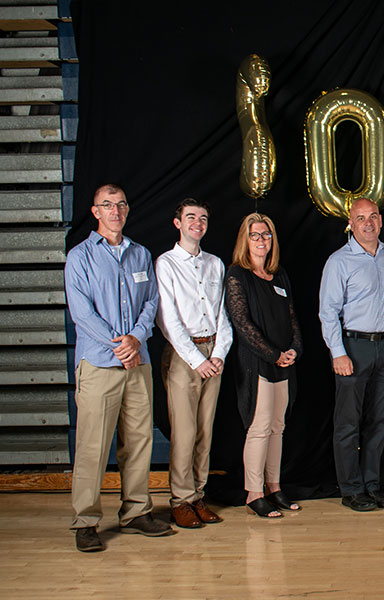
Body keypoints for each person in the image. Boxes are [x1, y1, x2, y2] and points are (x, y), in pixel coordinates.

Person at [64, 183, 174, 552]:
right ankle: (85, 521)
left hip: (137, 363)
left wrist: (136, 339)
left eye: (121, 204)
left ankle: (136, 512)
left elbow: (151, 302)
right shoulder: (80, 257)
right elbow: (82, 314)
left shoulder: (140, 254)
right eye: (107, 205)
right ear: (95, 212)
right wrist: (120, 345)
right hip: (99, 364)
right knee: (93, 446)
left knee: (139, 441)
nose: (115, 211)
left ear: (127, 210)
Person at [319, 197, 384, 512]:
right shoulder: (339, 261)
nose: (368, 223)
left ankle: (372, 485)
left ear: (381, 220)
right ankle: (351, 489)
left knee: (380, 421)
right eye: (361, 218)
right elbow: (328, 312)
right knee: (348, 423)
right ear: (350, 224)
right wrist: (337, 353)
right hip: (353, 347)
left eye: (373, 216)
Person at [155, 198, 233, 528]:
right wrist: (196, 360)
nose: (197, 223)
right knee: (184, 433)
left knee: (205, 431)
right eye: (191, 217)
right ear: (178, 223)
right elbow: (167, 319)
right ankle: (181, 500)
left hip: (212, 352)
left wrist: (218, 354)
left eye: (202, 218)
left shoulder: (215, 264)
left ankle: (198, 495)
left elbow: (222, 313)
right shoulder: (166, 263)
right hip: (183, 355)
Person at [225, 213, 302, 519]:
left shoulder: (279, 275)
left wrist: (295, 349)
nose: (261, 241)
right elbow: (241, 324)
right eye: (255, 235)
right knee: (259, 428)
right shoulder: (237, 275)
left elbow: (292, 317)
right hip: (256, 362)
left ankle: (274, 487)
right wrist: (273, 354)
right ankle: (254, 493)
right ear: (245, 240)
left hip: (284, 362)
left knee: (277, 427)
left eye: (266, 235)